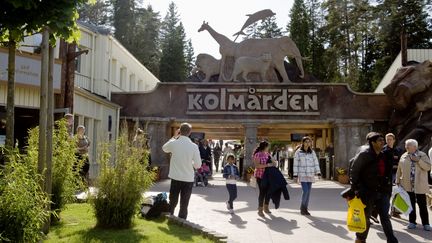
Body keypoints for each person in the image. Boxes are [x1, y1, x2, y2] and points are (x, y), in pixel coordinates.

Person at [350, 132, 398, 243]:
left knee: (385, 217)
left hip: (383, 191)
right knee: (366, 217)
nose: (383, 142)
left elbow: (388, 172)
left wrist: (388, 189)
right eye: (380, 140)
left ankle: (392, 240)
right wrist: (355, 189)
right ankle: (361, 239)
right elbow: (354, 171)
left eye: (383, 140)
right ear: (373, 143)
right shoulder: (364, 155)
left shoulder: (384, 155)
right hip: (367, 192)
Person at [162, 123, 202, 219]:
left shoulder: (174, 143)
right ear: (190, 132)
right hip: (188, 178)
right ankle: (182, 221)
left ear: (180, 131)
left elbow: (164, 148)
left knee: (173, 200)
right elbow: (198, 165)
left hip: (175, 177)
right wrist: (191, 164)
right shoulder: (194, 146)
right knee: (184, 203)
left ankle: (170, 217)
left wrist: (174, 137)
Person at [396, 139, 431, 231]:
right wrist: (397, 180)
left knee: (422, 205)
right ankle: (412, 222)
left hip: (419, 184)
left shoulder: (422, 155)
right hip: (407, 184)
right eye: (406, 145)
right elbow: (399, 169)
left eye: (408, 145)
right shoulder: (404, 155)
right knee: (410, 204)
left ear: (415, 147)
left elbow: (428, 167)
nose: (406, 147)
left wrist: (419, 160)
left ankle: (426, 224)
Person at [293, 136, 321, 216]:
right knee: (305, 191)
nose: (307, 143)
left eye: (309, 142)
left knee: (308, 192)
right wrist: (295, 175)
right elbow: (295, 164)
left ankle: (306, 208)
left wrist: (318, 172)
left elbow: (316, 162)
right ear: (303, 142)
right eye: (306, 142)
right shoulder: (298, 152)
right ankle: (302, 208)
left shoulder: (312, 152)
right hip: (302, 174)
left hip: (310, 174)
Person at [253, 141, 277, 217]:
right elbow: (257, 166)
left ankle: (266, 207)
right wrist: (267, 165)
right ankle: (260, 210)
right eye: (268, 146)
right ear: (264, 146)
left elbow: (275, 163)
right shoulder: (257, 154)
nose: (268, 148)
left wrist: (273, 161)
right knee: (262, 192)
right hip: (260, 175)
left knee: (269, 192)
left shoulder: (268, 154)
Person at [383, 133, 403, 218]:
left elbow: (401, 161)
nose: (389, 141)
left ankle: (395, 211)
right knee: (387, 194)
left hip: (398, 174)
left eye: (390, 139)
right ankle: (385, 212)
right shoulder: (383, 150)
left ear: (394, 140)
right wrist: (393, 165)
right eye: (387, 139)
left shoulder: (398, 150)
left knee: (398, 192)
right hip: (387, 175)